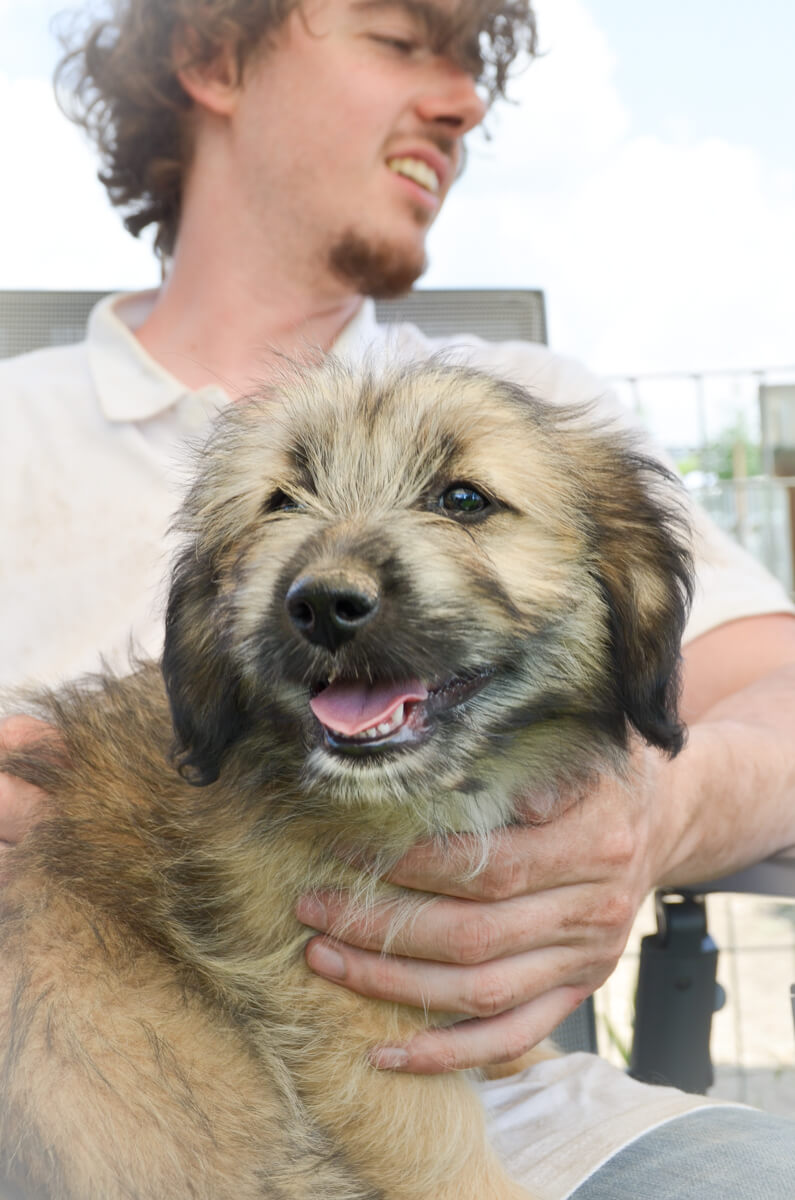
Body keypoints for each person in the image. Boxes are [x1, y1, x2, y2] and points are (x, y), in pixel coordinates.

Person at [2, 0, 795, 1195]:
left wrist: (659, 813)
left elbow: (782, 700)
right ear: (212, 54)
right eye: (399, 41)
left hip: (535, 1126)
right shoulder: (16, 423)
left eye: (466, 501)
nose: (462, 102)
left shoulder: (533, 399)